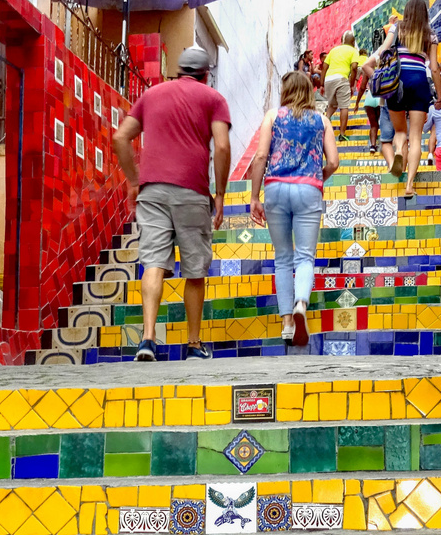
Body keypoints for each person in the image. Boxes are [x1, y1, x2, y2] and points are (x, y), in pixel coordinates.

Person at [111, 46, 231, 362]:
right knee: (194, 271)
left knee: (153, 262)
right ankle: (193, 345)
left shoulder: (151, 95)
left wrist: (133, 181)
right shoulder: (213, 99)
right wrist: (220, 194)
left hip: (152, 192)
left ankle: (148, 339)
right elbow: (221, 146)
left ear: (178, 70)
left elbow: (120, 138)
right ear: (206, 74)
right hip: (192, 192)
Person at [245, 72, 339, 348]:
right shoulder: (322, 121)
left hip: (275, 189)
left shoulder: (273, 117)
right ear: (310, 92)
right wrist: (316, 177)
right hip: (308, 189)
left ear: (285, 91)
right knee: (305, 257)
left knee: (283, 257)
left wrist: (254, 197)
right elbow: (333, 161)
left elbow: (261, 156)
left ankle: (287, 322)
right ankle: (301, 303)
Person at [368, 0, 440, 197]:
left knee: (400, 132)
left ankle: (399, 151)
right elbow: (434, 68)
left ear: (406, 11)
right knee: (416, 136)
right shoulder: (430, 34)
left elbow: (383, 50)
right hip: (419, 81)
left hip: (397, 82)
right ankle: (409, 186)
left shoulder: (396, 28)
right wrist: (440, 97)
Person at [352, 54, 395, 169]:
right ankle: (388, 144)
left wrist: (357, 103)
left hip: (370, 97)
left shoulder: (369, 70)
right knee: (385, 122)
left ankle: (372, 145)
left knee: (373, 124)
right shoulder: (387, 68)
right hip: (382, 97)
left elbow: (361, 87)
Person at [321, 31, 360, 141]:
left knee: (332, 106)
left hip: (328, 79)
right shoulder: (354, 51)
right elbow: (354, 67)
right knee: (344, 106)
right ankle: (342, 134)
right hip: (342, 79)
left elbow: (324, 67)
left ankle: (324, 124)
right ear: (353, 42)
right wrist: (351, 85)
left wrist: (321, 84)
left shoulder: (333, 50)